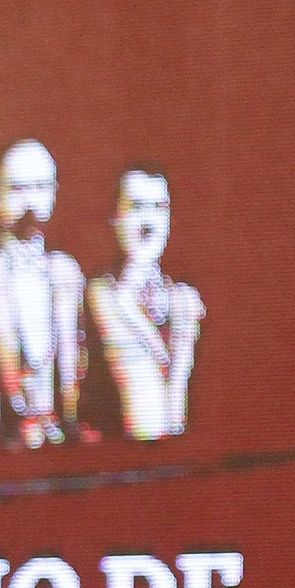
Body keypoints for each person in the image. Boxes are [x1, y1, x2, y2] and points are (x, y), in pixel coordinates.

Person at [0, 139, 86, 453]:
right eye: (17, 189)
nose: (30, 202)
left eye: (41, 188)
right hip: (7, 445)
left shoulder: (67, 274)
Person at [80, 164, 203, 442]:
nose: (148, 223)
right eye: (136, 207)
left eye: (159, 207)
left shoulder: (185, 300)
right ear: (114, 217)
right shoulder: (97, 294)